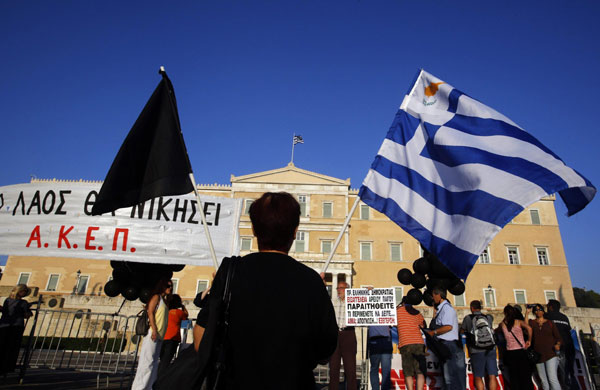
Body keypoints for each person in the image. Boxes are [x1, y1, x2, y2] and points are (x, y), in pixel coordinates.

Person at [196, 192, 338, 389]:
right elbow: (326, 350)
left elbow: (200, 340)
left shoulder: (230, 272)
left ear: (253, 229)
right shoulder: (311, 281)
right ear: (295, 231)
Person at [131, 278, 172, 390]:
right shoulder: (156, 297)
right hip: (152, 333)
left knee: (153, 363)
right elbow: (150, 312)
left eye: (171, 286)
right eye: (168, 286)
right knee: (147, 362)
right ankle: (139, 387)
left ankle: (149, 386)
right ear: (162, 286)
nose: (170, 288)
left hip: (159, 334)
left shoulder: (164, 300)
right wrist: (153, 329)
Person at [425, 287, 466, 390]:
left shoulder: (447, 309)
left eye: (434, 295)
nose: (433, 298)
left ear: (439, 295)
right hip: (446, 344)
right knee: (449, 376)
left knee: (450, 376)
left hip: (449, 344)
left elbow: (448, 327)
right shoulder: (441, 309)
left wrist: (433, 332)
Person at [461, 300, 498, 390]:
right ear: (480, 308)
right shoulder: (488, 317)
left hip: (476, 349)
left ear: (472, 308)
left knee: (478, 376)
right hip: (490, 348)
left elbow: (462, 330)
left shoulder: (468, 318)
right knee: (492, 376)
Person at [497, 304, 533, 390]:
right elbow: (529, 329)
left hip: (510, 352)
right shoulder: (518, 322)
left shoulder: (502, 324)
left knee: (514, 377)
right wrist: (529, 340)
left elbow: (497, 331)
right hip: (521, 351)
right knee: (525, 376)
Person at [527, 303, 562, 390]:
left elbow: (558, 337)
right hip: (538, 355)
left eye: (540, 309)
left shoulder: (550, 323)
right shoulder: (532, 323)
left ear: (543, 311)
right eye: (536, 310)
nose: (538, 311)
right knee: (543, 380)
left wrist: (557, 344)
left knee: (552, 378)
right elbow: (525, 325)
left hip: (551, 353)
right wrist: (527, 313)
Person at [0, 284, 32, 376]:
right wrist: (29, 312)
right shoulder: (23, 303)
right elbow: (26, 315)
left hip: (3, 325)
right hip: (16, 326)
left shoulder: (7, 300)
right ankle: (7, 367)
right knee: (12, 347)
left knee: (2, 346)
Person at [545, 299, 578, 390]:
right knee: (569, 372)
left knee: (556, 374)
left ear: (551, 307)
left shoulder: (547, 316)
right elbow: (568, 331)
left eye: (547, 306)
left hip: (557, 348)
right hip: (569, 347)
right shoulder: (564, 317)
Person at [330, 281, 357, 390]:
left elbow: (367, 303)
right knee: (333, 368)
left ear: (347, 289)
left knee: (350, 368)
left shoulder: (353, 302)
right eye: (337, 288)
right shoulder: (333, 301)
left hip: (349, 334)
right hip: (336, 335)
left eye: (341, 288)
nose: (338, 290)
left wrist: (369, 293)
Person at [396, 300, 426, 390]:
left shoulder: (397, 311)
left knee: (408, 372)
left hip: (405, 343)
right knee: (420, 371)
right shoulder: (416, 312)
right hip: (418, 342)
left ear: (403, 303)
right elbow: (423, 325)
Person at [157, 294, 188, 377]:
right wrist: (182, 306)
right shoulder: (178, 312)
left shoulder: (165, 310)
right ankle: (160, 378)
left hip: (162, 336)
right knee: (166, 361)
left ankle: (157, 376)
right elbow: (186, 315)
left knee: (162, 359)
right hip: (173, 337)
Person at [367, 326, 393, 390]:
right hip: (375, 340)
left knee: (385, 370)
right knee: (375, 368)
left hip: (385, 340)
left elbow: (394, 323)